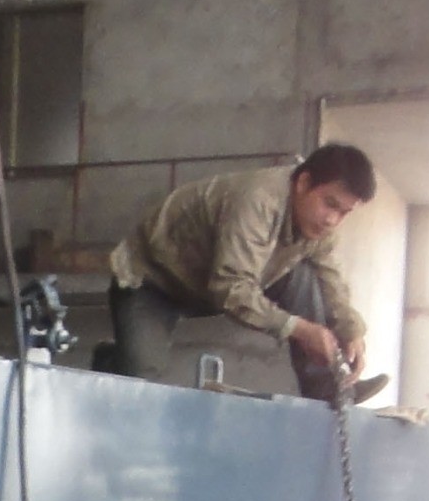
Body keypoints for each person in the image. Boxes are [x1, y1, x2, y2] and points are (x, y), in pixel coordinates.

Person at [105, 144, 387, 404]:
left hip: (207, 282)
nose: (332, 220)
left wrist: (351, 330)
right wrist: (300, 330)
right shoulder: (257, 201)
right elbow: (230, 288)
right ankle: (111, 364)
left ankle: (330, 388)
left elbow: (331, 278)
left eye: (344, 213)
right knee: (139, 384)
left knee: (304, 276)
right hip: (152, 280)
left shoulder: (319, 226)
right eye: (330, 204)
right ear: (303, 183)